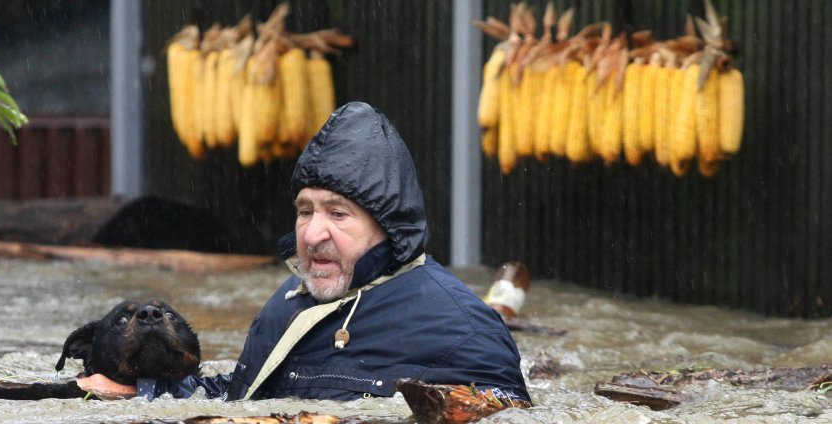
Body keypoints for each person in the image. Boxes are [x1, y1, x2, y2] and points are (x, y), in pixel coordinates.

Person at [79, 102, 529, 404]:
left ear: (387, 225)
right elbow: (241, 396)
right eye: (304, 211)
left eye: (338, 213)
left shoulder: (464, 331)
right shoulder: (288, 306)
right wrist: (144, 391)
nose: (313, 234)